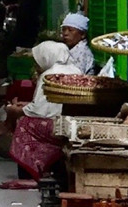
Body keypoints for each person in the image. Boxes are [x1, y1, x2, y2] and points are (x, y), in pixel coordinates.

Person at [5, 41, 81, 180]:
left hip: (56, 125)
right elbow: (49, 105)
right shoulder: (77, 71)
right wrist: (28, 105)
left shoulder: (49, 75)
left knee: (24, 124)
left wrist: (16, 110)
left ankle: (28, 173)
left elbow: (39, 111)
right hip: (74, 123)